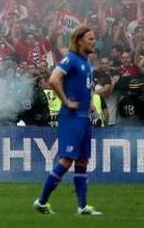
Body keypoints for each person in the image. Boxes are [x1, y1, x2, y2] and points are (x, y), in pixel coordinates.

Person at [34, 26, 102, 216]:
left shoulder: (86, 62)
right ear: (79, 40)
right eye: (90, 38)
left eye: (94, 38)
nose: (94, 41)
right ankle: (41, 202)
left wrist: (89, 101)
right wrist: (66, 101)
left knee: (82, 161)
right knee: (66, 160)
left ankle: (82, 207)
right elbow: (54, 79)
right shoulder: (71, 59)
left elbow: (86, 86)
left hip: (84, 117)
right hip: (71, 118)